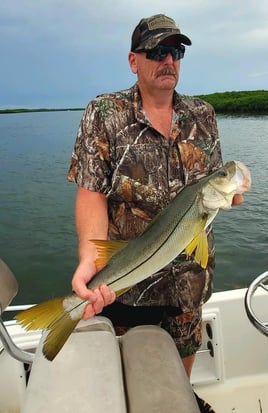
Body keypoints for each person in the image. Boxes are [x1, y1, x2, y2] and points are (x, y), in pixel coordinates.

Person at [67, 14, 243, 412]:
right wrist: (88, 258)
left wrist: (227, 195)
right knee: (134, 386)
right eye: (157, 51)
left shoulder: (203, 116)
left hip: (189, 285)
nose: (168, 60)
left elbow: (210, 187)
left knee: (176, 380)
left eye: (176, 51)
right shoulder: (104, 113)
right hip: (127, 288)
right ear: (134, 60)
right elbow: (91, 194)